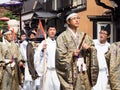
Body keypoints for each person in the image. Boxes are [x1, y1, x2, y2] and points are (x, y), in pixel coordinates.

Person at [56, 12, 99, 90]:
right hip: (71, 72)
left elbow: (93, 49)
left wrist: (89, 49)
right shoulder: (62, 37)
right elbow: (60, 58)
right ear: (68, 21)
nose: (77, 20)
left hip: (83, 70)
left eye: (78, 18)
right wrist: (71, 55)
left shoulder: (84, 36)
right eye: (74, 18)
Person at [34, 25, 60, 90]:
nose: (52, 32)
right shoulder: (44, 42)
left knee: (57, 87)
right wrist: (42, 50)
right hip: (47, 71)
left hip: (56, 71)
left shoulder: (58, 43)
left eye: (53, 30)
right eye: (50, 30)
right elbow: (37, 56)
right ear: (47, 32)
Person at [93, 24, 111, 90]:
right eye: (101, 32)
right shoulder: (93, 43)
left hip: (103, 73)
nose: (101, 35)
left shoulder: (109, 47)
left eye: (104, 33)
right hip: (93, 73)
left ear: (108, 36)